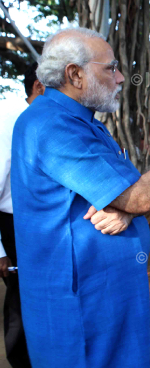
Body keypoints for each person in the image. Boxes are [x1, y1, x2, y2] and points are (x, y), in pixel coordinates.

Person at [11, 27, 150, 368]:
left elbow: (129, 193)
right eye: (111, 68)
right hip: (77, 307)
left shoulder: (86, 123)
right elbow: (141, 195)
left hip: (107, 299)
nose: (121, 78)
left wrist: (127, 210)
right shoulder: (50, 126)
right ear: (75, 74)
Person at [0, 62, 45, 368]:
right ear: (39, 87)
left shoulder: (41, 119)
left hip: (39, 225)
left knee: (39, 293)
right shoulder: (10, 119)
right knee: (20, 297)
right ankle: (20, 361)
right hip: (14, 225)